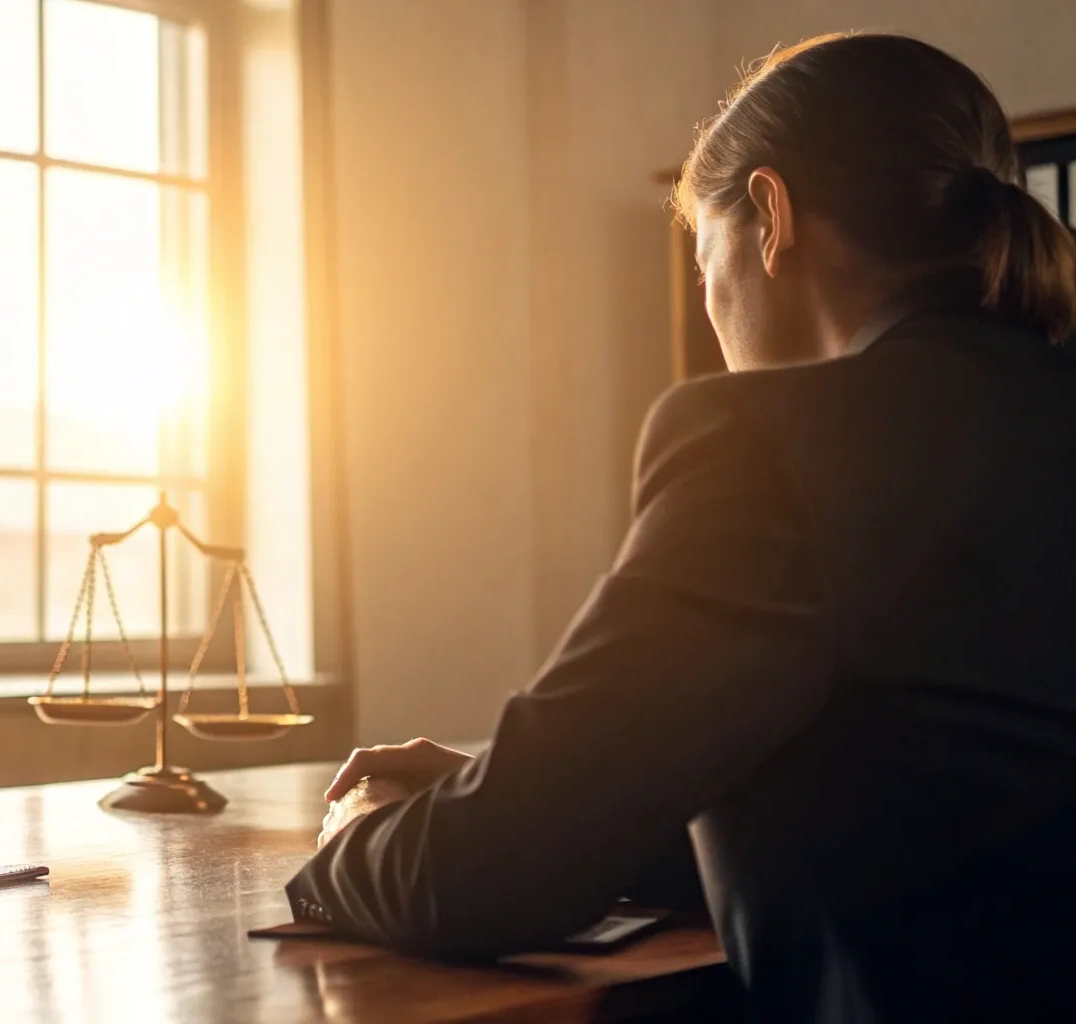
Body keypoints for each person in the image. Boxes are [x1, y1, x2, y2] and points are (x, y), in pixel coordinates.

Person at [289, 32, 1076, 1022]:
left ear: (769, 217)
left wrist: (350, 839)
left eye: (703, 264)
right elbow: (934, 814)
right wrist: (547, 783)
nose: (709, 306)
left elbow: (500, 873)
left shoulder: (770, 442)